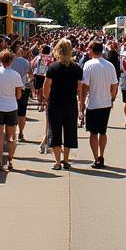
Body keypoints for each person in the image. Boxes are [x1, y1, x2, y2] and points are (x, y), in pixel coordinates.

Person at [43, 38, 82, 170]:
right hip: (70, 103)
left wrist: (46, 98)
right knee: (70, 130)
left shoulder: (53, 67)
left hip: (55, 103)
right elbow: (80, 88)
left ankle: (57, 162)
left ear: (58, 50)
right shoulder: (76, 68)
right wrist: (81, 103)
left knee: (55, 131)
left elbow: (46, 86)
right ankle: (66, 159)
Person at [80, 41, 118, 168]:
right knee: (103, 131)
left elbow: (84, 86)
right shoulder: (110, 65)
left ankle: (96, 158)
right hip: (105, 103)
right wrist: (111, 98)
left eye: (88, 49)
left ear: (92, 50)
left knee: (93, 133)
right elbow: (114, 85)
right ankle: (101, 155)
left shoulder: (88, 65)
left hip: (93, 103)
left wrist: (81, 103)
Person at [10, 44, 33, 142]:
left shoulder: (8, 61)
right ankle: (20, 133)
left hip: (9, 89)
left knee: (11, 112)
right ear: (18, 50)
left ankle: (12, 133)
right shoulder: (25, 62)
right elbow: (31, 75)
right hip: (22, 88)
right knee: (22, 113)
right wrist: (27, 82)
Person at [32, 45, 51, 111]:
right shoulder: (50, 57)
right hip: (46, 75)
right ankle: (43, 105)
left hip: (39, 75)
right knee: (43, 90)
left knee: (40, 90)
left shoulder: (39, 57)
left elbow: (33, 64)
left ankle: (40, 105)